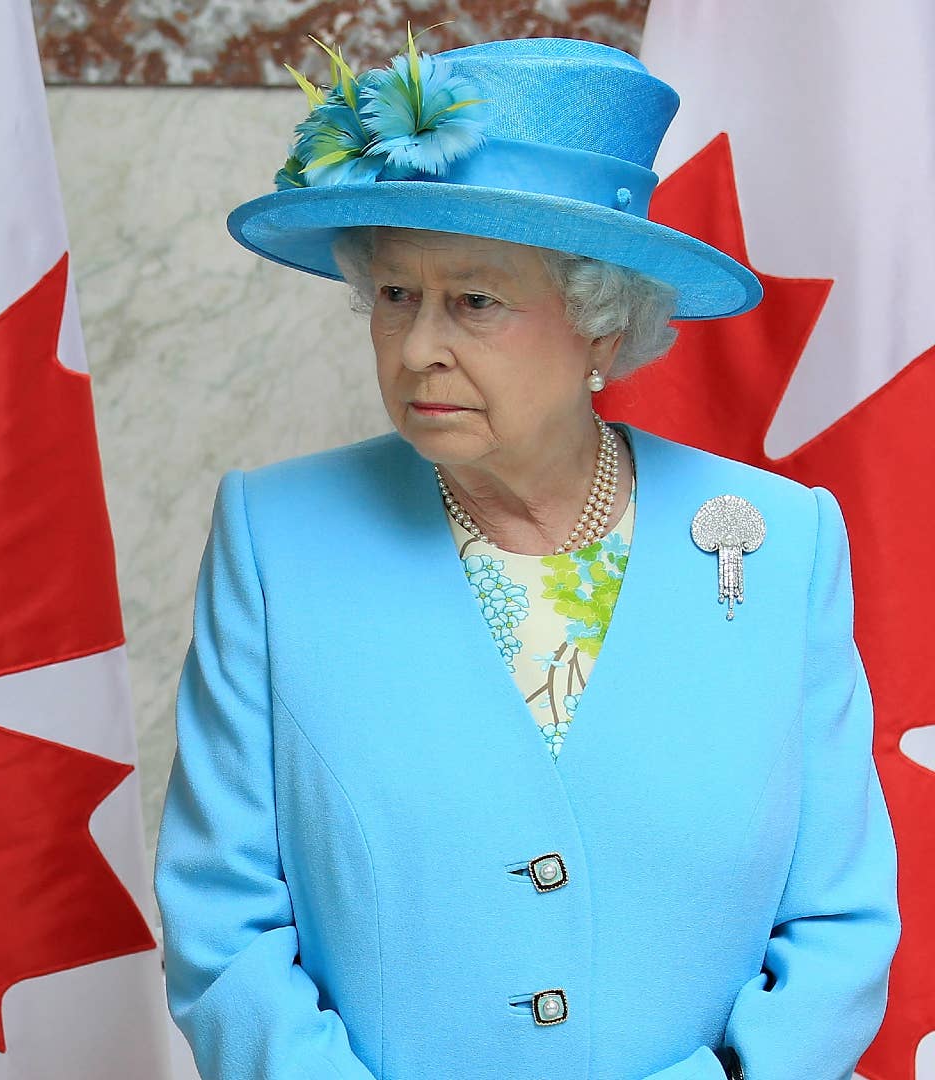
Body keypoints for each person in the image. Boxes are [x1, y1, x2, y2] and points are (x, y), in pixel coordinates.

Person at [153, 35, 900, 1080]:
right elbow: (223, 927)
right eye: (396, 297)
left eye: (474, 301)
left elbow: (842, 924)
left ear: (601, 325)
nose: (417, 349)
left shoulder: (777, 542)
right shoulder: (276, 539)